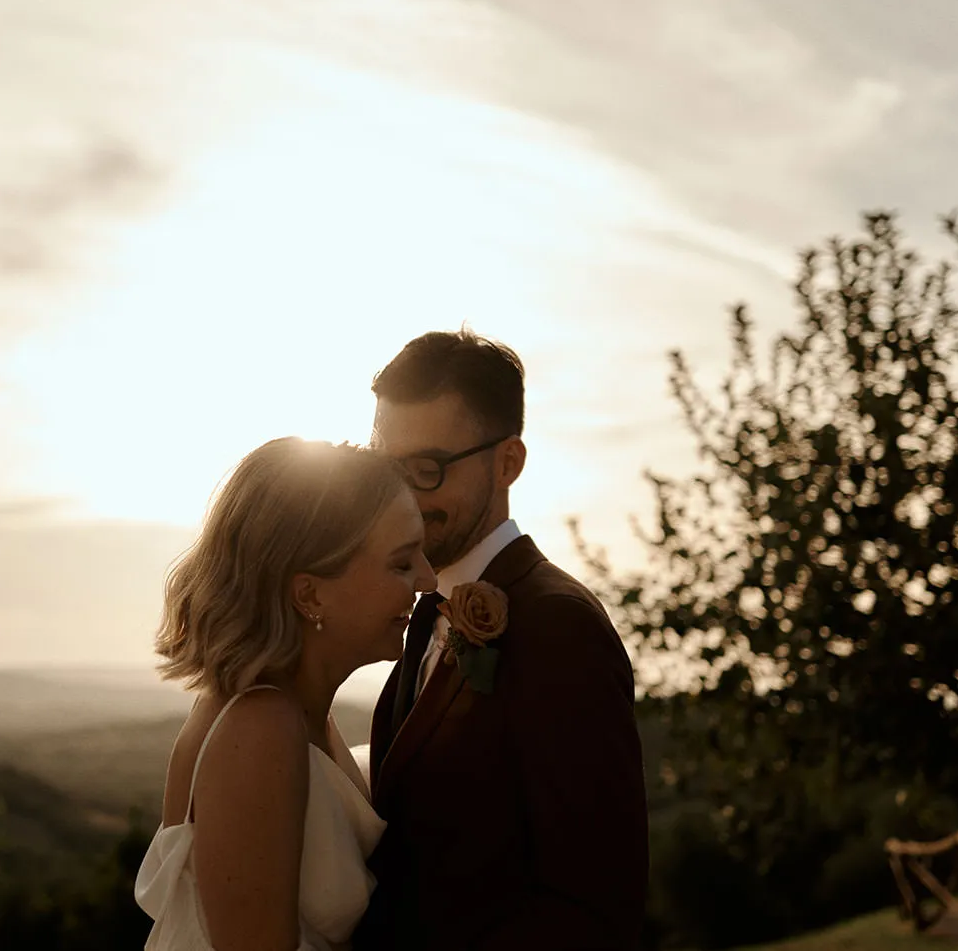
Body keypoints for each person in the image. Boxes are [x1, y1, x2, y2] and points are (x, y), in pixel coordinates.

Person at [355, 329, 651, 951]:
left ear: (508, 462)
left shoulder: (558, 625)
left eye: (428, 469)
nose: (404, 495)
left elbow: (593, 904)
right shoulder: (421, 610)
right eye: (388, 469)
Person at [134, 437, 438, 951]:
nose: (428, 579)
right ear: (310, 594)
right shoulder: (260, 727)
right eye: (402, 563)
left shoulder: (303, 713)